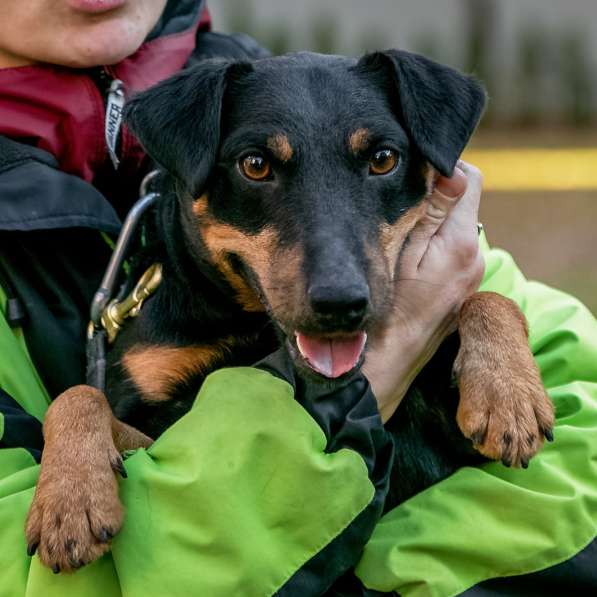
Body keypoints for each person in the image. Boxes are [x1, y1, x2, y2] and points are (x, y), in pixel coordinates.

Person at [0, 1, 595, 595]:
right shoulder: (204, 122)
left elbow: (577, 426)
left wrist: (488, 320)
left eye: (381, 160)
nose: (336, 283)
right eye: (259, 167)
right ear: (185, 171)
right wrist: (77, 421)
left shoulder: (447, 252)